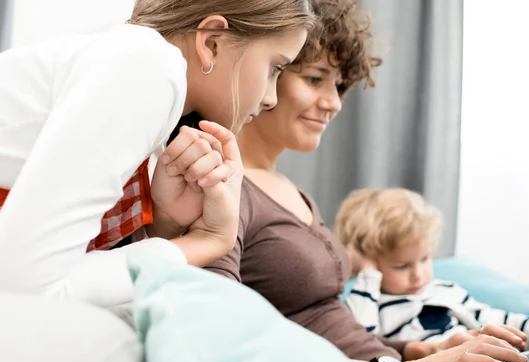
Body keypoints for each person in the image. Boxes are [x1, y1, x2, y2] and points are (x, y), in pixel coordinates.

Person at [203, 0, 529, 362]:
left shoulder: (297, 195)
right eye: (314, 78)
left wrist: (416, 352)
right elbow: (223, 338)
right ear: (271, 73)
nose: (334, 102)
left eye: (339, 85)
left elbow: (325, 328)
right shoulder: (224, 185)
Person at [0, 0, 314, 309]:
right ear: (212, 43)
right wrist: (204, 243)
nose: (271, 98)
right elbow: (25, 292)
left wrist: (163, 225)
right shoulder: (146, 69)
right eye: (275, 68)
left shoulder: (149, 92)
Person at [336, 187, 529, 352]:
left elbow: (499, 320)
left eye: (425, 258)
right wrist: (366, 273)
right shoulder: (366, 304)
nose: (418, 273)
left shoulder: (445, 291)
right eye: (401, 265)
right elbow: (363, 342)